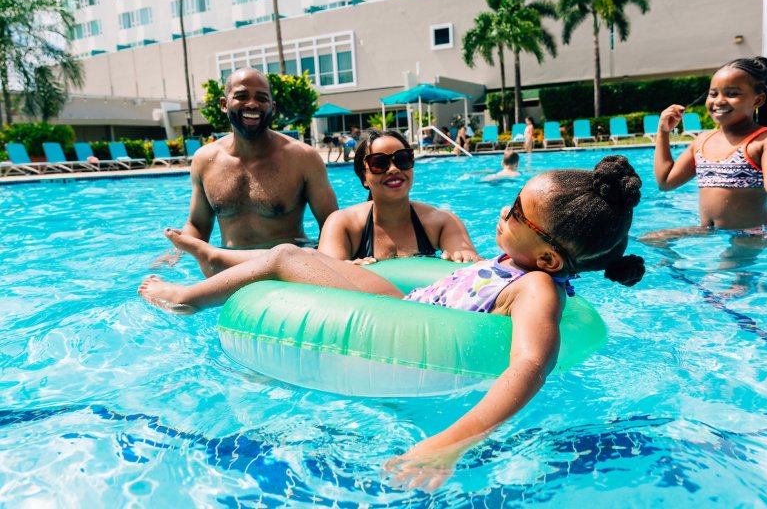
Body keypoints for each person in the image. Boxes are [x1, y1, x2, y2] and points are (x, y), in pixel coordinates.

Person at [138, 155, 645, 490]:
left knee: (285, 256)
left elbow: (530, 364)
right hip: (408, 302)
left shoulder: (536, 288)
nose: (503, 212)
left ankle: (185, 297)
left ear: (551, 259)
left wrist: (450, 443)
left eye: (517, 212)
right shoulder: (517, 263)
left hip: (413, 327)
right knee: (294, 261)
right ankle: (208, 263)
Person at [175, 68, 338, 272]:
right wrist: (177, 252)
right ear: (224, 104)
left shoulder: (302, 158)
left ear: (272, 107)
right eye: (241, 96)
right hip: (230, 268)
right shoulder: (205, 160)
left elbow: (333, 224)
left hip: (290, 269)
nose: (252, 104)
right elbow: (198, 224)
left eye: (261, 98)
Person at [645, 56, 767, 241]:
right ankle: (678, 272)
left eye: (732, 94)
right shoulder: (703, 140)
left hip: (753, 233)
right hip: (711, 232)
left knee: (725, 267)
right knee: (652, 239)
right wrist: (663, 132)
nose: (719, 101)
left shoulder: (765, 140)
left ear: (758, 100)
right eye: (713, 93)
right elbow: (666, 182)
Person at [319, 128, 479, 263]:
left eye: (402, 159)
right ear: (364, 178)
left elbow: (475, 270)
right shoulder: (343, 224)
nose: (394, 169)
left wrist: (461, 260)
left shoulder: (442, 222)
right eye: (379, 163)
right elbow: (324, 281)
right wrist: (348, 271)